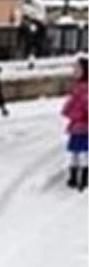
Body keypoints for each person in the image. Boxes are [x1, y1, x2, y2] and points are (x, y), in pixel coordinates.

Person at [61, 57, 89, 191]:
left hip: (81, 124)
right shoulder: (79, 88)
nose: (74, 71)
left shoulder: (82, 89)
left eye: (77, 69)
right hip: (80, 124)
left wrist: (69, 111)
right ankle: (81, 177)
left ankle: (76, 176)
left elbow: (75, 104)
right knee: (81, 151)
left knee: (78, 151)